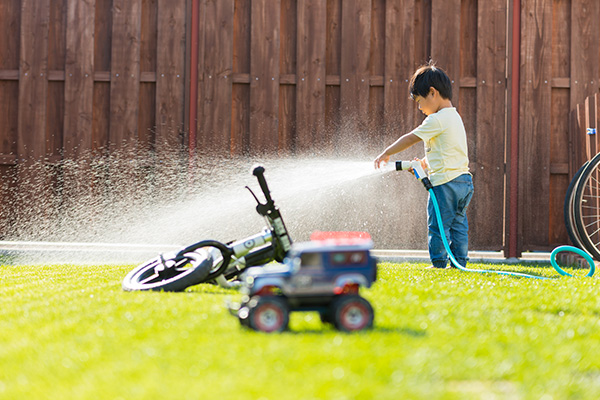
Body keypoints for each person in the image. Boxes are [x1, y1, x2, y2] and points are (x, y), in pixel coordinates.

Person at [374, 62, 473, 269]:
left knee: (437, 226)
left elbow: (411, 138)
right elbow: (446, 153)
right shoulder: (454, 117)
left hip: (445, 185)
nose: (420, 108)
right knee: (458, 225)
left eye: (419, 102)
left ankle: (438, 263)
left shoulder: (436, 119)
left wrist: (387, 153)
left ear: (432, 93)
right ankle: (460, 263)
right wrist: (424, 164)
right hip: (463, 183)